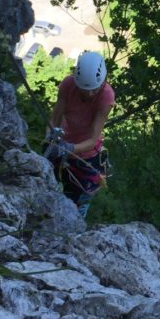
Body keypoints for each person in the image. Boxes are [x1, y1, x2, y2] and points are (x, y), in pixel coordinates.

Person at [45, 51, 114, 219]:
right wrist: (49, 137)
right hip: (61, 144)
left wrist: (68, 148)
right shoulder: (68, 85)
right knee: (46, 187)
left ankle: (73, 229)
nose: (89, 94)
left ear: (103, 81)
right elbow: (54, 118)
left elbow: (92, 139)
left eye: (93, 89)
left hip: (86, 154)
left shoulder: (106, 97)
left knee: (78, 200)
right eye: (85, 89)